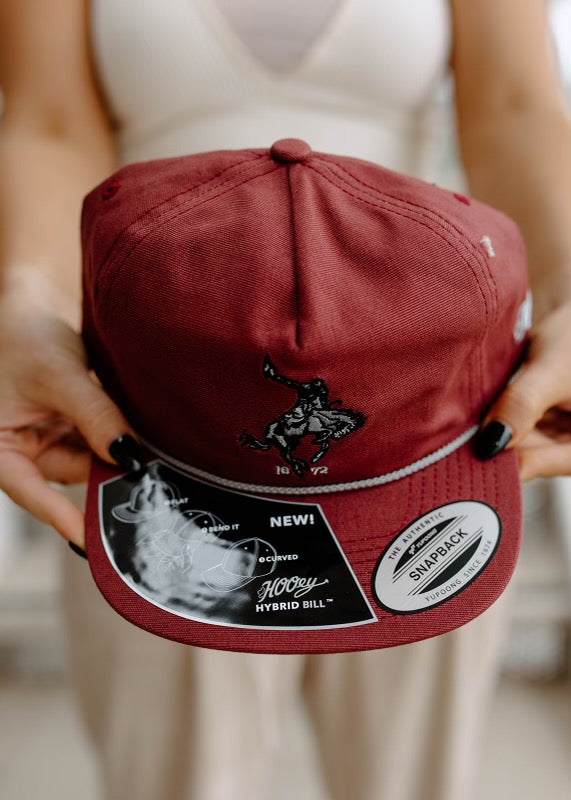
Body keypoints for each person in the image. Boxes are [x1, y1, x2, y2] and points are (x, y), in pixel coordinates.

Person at [1, 1, 571, 798]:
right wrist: (28, 306)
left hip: (416, 420)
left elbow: (512, 106)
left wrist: (568, 290)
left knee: (408, 780)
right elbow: (51, 120)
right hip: (167, 422)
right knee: (178, 781)